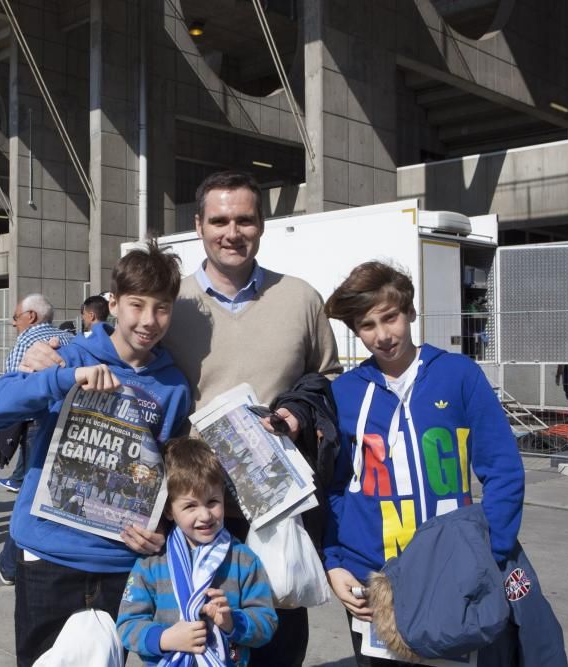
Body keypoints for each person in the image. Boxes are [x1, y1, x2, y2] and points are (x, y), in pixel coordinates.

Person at [21, 170, 343, 666]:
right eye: (219, 220)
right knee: (190, 650)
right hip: (190, 516)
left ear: (262, 224)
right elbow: (119, 344)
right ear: (199, 225)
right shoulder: (173, 304)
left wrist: (297, 413)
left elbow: (325, 381)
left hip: (272, 520)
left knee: (274, 645)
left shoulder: (301, 298)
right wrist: (52, 350)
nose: (231, 231)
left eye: (244, 220)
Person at [0, 241, 191, 666]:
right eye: (136, 305)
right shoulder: (64, 356)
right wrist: (60, 378)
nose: (148, 320)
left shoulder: (173, 385)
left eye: (161, 308)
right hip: (48, 556)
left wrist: (163, 528)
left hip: (121, 562)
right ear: (113, 303)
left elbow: (168, 471)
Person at [322, 261, 525, 665]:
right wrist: (335, 562)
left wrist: (491, 554)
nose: (382, 336)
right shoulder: (343, 394)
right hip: (374, 579)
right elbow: (333, 487)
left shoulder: (458, 374)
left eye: (390, 317)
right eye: (367, 325)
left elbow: (502, 469)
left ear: (411, 312)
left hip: (455, 572)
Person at [117, 437, 278, 666]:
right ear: (169, 511)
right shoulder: (151, 563)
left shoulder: (243, 560)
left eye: (212, 501)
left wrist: (233, 623)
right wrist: (165, 638)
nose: (205, 515)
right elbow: (127, 624)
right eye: (190, 506)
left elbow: (266, 621)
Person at [0, 293, 74, 494]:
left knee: (33, 485)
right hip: (69, 420)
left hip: (38, 420)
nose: (14, 324)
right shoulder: (69, 338)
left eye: (16, 317)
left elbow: (16, 386)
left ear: (31, 316)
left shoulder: (26, 340)